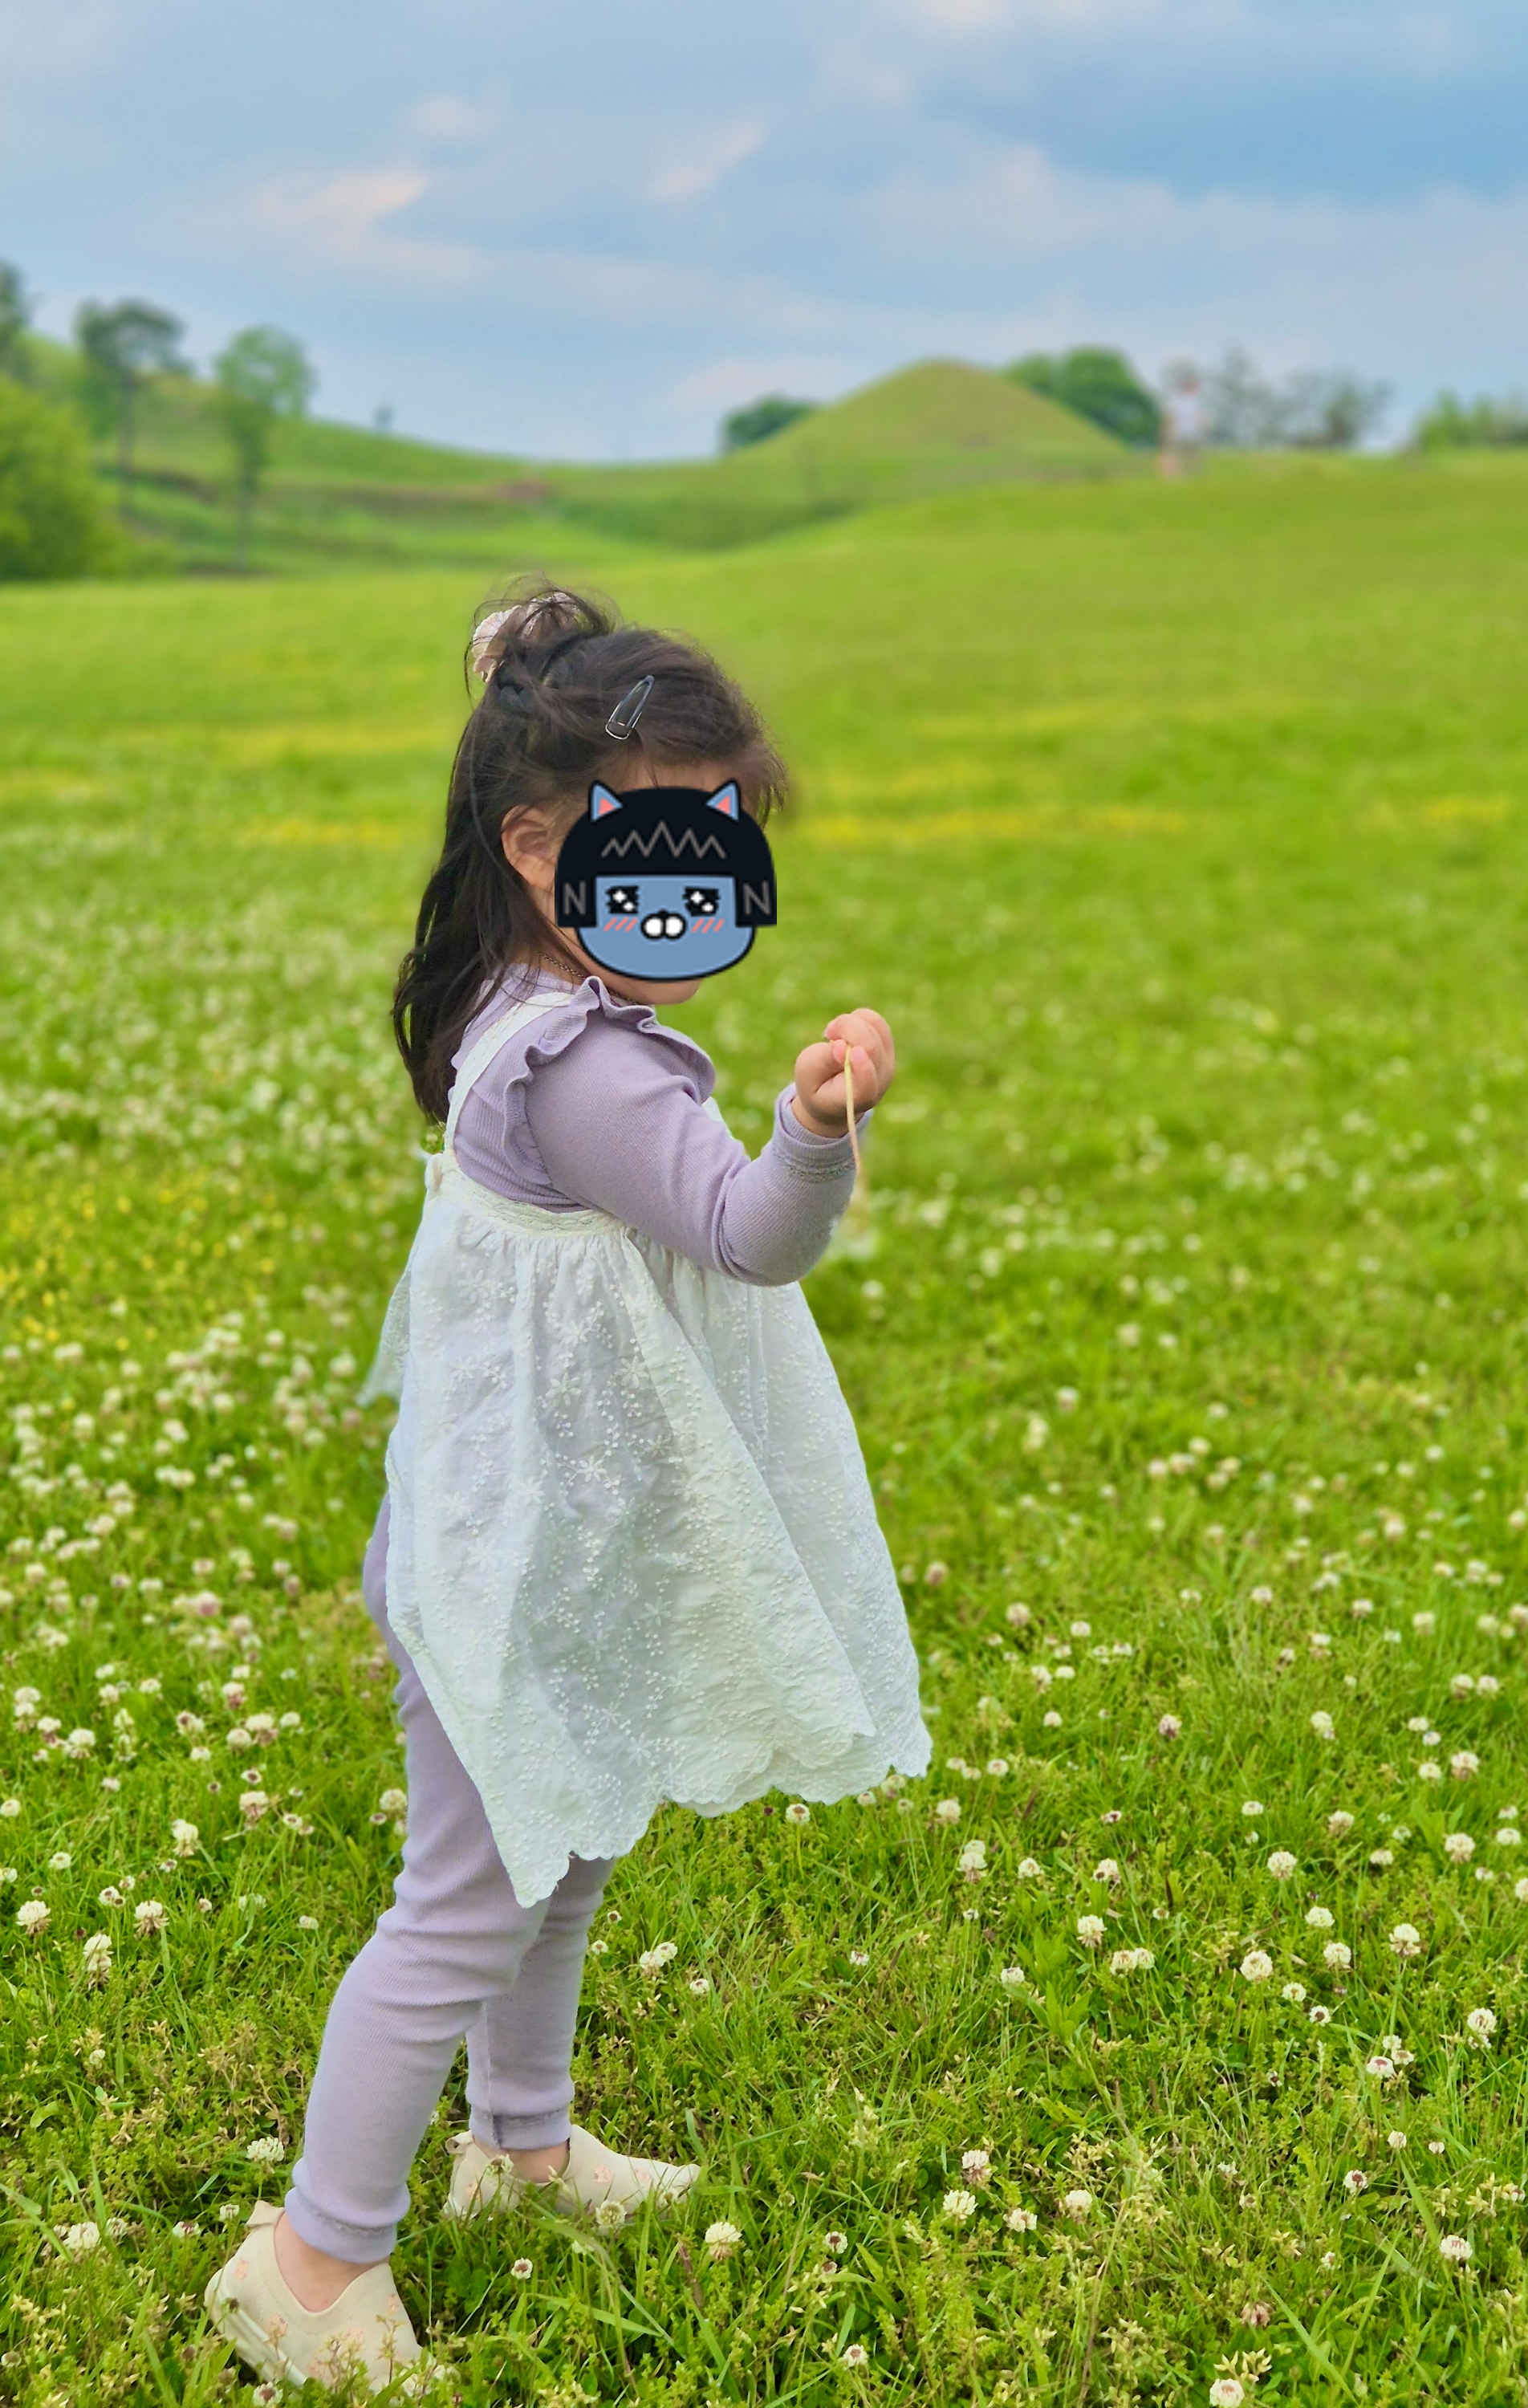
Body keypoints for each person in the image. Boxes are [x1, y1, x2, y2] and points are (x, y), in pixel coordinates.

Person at [205, 584, 932, 2389]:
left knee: (567, 1847)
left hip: (542, 1531)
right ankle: (307, 2266)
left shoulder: (525, 990)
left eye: (725, 847)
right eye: (661, 846)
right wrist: (818, 1130)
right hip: (517, 1559)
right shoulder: (590, 1063)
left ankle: (523, 2152)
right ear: (542, 850)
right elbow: (749, 1239)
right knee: (467, 1895)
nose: (698, 890)